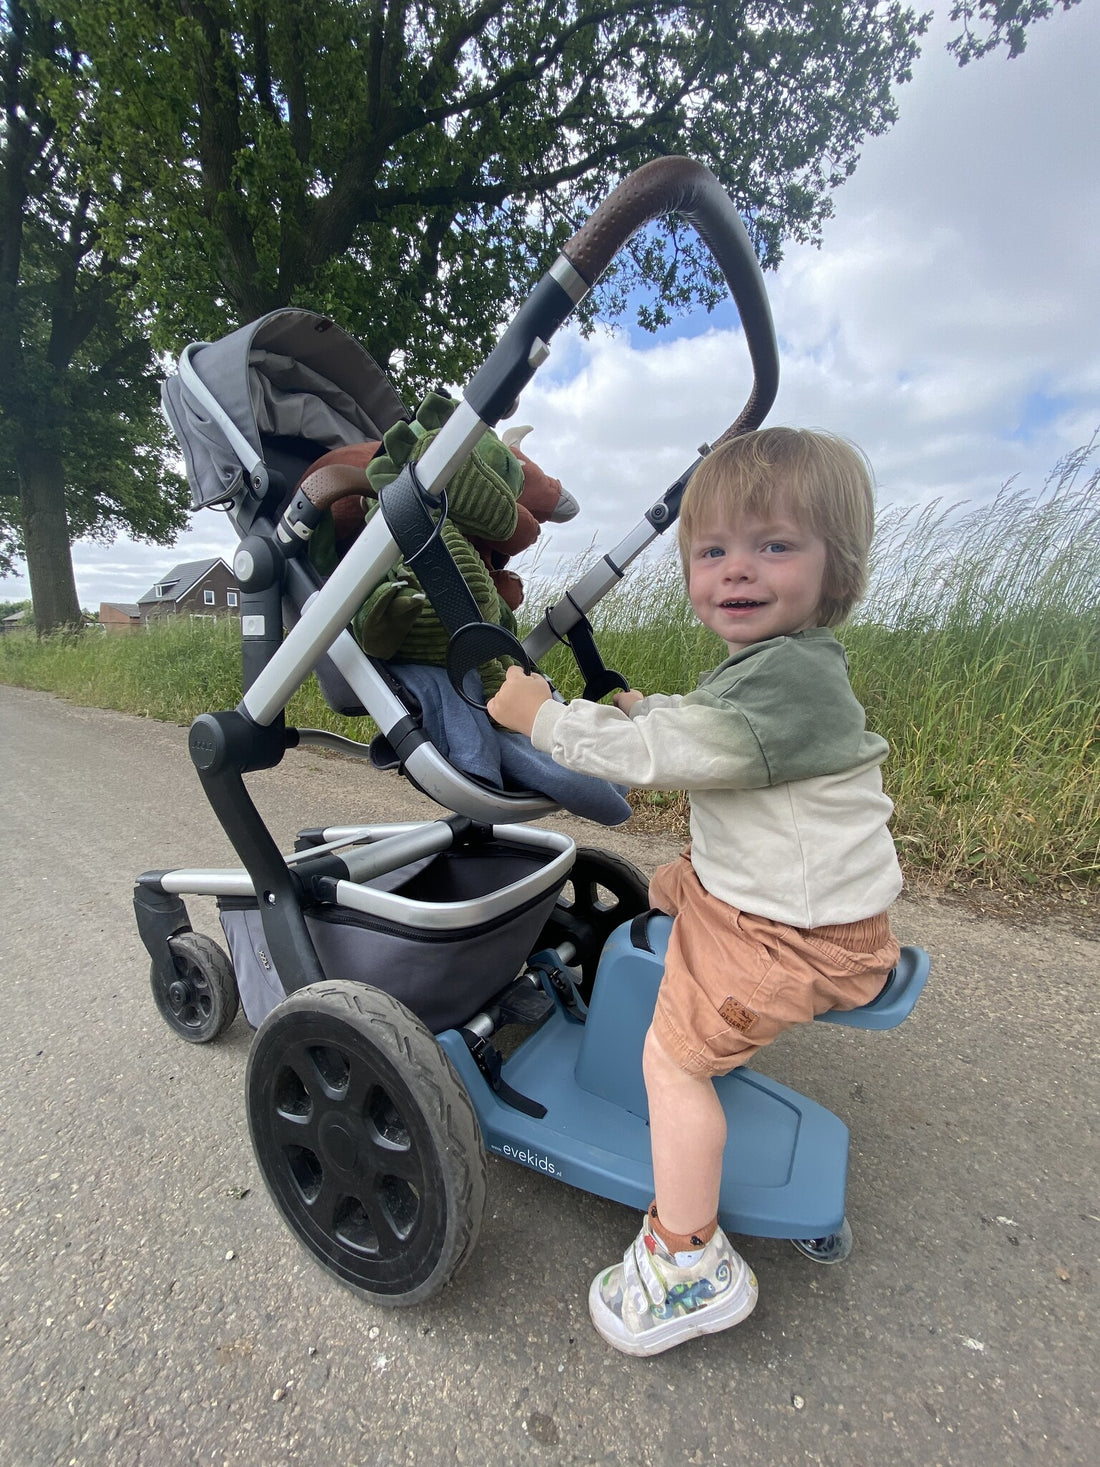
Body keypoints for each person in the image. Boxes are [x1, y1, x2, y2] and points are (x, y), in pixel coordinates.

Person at [487, 426, 903, 1357]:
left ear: (835, 567)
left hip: (796, 935)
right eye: (712, 551)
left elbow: (662, 759)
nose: (737, 569)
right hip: (780, 896)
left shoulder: (786, 682)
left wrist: (542, 718)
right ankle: (671, 952)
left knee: (672, 1061)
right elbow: (707, 723)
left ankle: (688, 1263)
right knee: (671, 885)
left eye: (774, 544)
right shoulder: (787, 665)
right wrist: (643, 706)